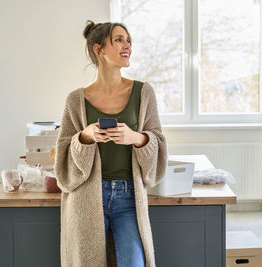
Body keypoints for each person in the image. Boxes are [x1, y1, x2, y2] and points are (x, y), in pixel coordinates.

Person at [54, 20, 168, 267]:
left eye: (128, 40)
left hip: (129, 197)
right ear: (99, 49)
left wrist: (136, 138)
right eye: (119, 40)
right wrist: (85, 137)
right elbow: (62, 154)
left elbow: (157, 138)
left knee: (134, 262)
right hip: (87, 198)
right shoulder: (76, 100)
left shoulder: (143, 92)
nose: (127, 45)